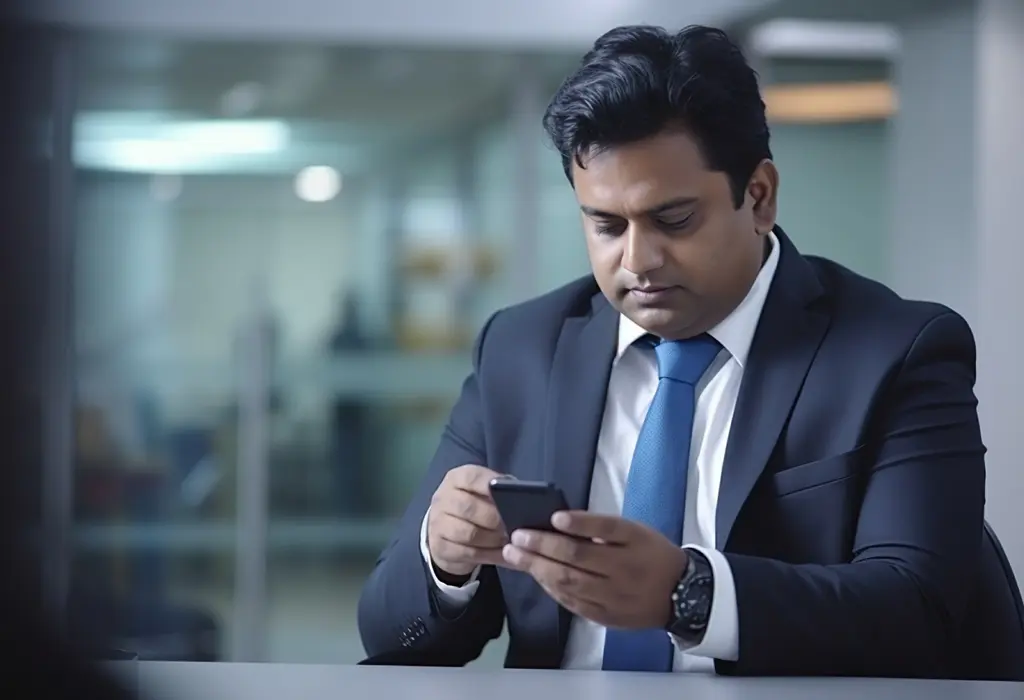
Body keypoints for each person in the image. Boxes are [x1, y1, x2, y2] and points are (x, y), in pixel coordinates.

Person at [357, 24, 986, 678]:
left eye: (674, 219)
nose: (637, 260)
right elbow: (388, 636)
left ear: (760, 197)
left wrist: (690, 595)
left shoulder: (895, 352)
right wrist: (443, 556)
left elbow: (920, 614)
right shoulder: (521, 350)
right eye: (605, 225)